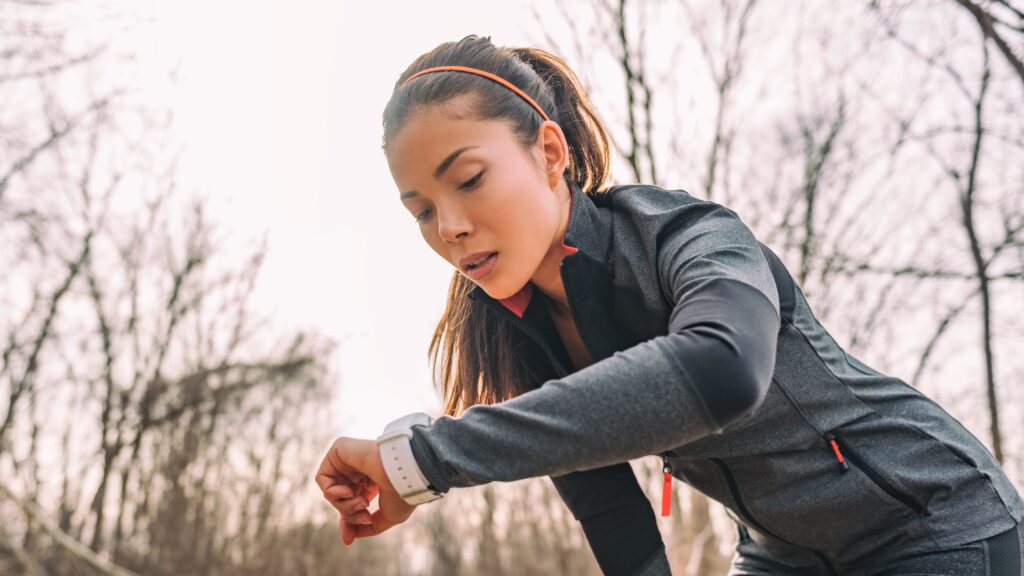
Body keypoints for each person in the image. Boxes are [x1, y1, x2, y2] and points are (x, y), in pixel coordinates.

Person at [314, 34, 1024, 576]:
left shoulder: (687, 237)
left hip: (934, 522)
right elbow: (609, 509)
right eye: (421, 211)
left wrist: (423, 458)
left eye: (468, 179)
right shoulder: (523, 333)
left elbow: (722, 373)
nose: (450, 227)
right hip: (785, 557)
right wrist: (410, 471)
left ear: (550, 153)